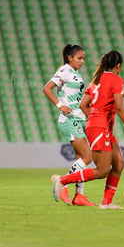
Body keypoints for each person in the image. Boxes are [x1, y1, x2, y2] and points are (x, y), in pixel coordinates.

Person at [51, 50, 124, 209]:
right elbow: (119, 107)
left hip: (100, 126)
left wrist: (95, 119)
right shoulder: (116, 80)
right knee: (102, 170)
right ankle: (62, 180)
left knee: (119, 163)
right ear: (118, 66)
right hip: (100, 127)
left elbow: (84, 105)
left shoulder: (96, 80)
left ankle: (106, 202)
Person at [43, 44, 95, 206]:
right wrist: (60, 105)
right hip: (69, 120)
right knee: (88, 157)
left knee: (80, 158)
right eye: (79, 58)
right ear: (70, 58)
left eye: (83, 59)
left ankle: (79, 196)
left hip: (78, 119)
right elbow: (47, 89)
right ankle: (62, 182)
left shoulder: (75, 73)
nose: (82, 61)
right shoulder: (64, 70)